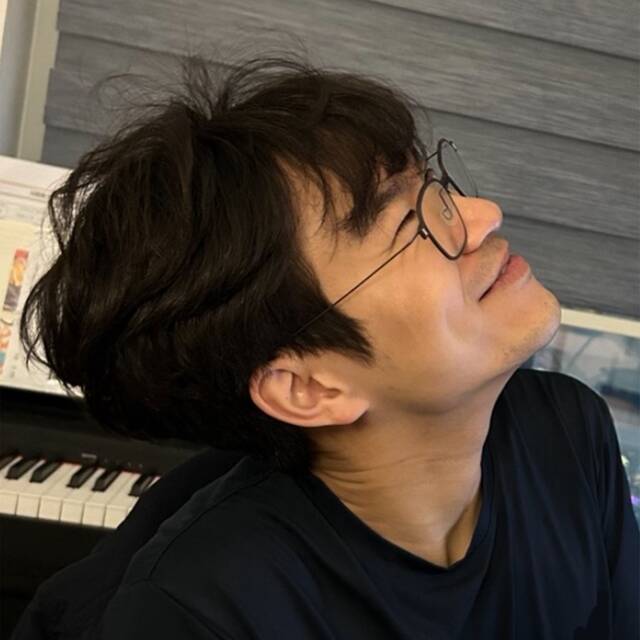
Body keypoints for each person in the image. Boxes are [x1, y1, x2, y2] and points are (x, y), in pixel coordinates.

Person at [12, 47, 639, 640]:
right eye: (409, 223)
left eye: (436, 187)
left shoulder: (567, 429)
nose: (483, 214)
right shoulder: (204, 611)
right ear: (309, 387)